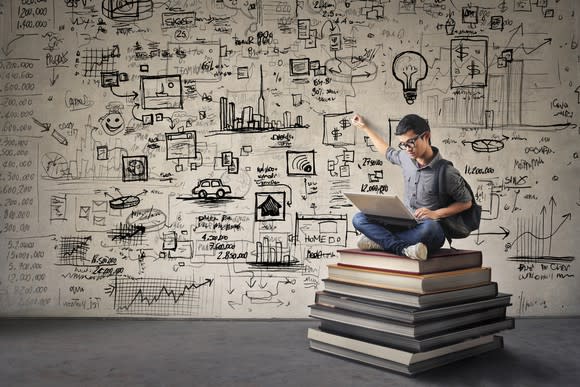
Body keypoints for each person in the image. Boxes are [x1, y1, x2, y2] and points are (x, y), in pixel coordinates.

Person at [350, 113, 473, 260]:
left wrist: (436, 214)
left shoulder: (447, 172)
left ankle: (379, 241)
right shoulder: (405, 157)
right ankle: (402, 248)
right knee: (359, 218)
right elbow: (387, 152)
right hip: (403, 223)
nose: (407, 148)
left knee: (432, 230)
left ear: (426, 136)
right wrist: (365, 128)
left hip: (425, 227)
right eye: (403, 144)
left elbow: (466, 202)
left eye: (410, 142)